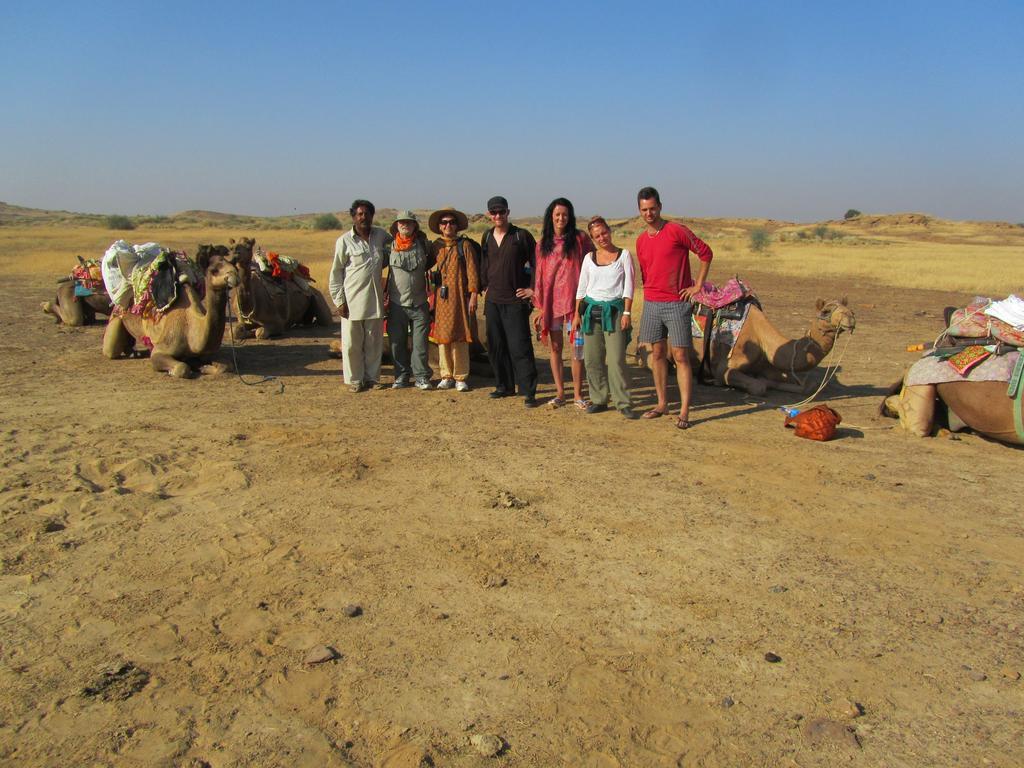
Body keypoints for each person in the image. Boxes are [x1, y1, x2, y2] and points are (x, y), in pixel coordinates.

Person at [634, 186, 713, 429]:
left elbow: (706, 253)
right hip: (652, 303)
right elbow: (646, 273)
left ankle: (685, 410)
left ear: (660, 206)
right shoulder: (640, 241)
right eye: (644, 210)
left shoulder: (676, 231)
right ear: (640, 211)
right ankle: (662, 403)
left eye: (653, 208)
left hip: (677, 303)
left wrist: (697, 285)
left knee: (680, 355)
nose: (649, 213)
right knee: (657, 354)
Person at [572, 216, 639, 419]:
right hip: (591, 313)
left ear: (609, 231)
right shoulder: (589, 258)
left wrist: (627, 312)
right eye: (597, 236)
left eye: (604, 233)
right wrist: (576, 314)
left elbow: (629, 286)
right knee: (592, 359)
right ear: (593, 238)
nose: (602, 238)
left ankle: (623, 402)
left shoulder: (623, 255)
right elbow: (582, 288)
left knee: (616, 358)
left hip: (615, 312)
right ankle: (599, 399)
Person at [479, 195, 540, 408]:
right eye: (493, 212)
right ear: (489, 215)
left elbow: (536, 263)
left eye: (501, 212)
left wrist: (533, 289)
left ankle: (528, 391)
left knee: (519, 346)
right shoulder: (486, 236)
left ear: (508, 212)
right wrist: (484, 284)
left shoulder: (520, 236)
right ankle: (504, 386)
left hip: (515, 301)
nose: (498, 215)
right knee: (496, 346)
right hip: (493, 300)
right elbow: (484, 262)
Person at [533, 197, 594, 409]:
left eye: (565, 215)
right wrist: (541, 307)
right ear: (551, 216)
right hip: (552, 305)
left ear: (570, 217)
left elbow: (592, 264)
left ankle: (578, 394)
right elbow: (539, 277)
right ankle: (560, 393)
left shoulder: (580, 239)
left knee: (577, 350)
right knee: (556, 348)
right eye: (557, 214)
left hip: (575, 305)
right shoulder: (542, 245)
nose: (561, 218)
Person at [329, 199, 389, 392]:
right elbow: (336, 272)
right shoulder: (344, 241)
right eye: (359, 214)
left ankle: (372, 378)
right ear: (353, 217)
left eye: (367, 213)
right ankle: (355, 380)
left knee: (373, 342)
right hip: (352, 300)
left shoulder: (380, 235)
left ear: (372, 216)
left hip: (374, 300)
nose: (363, 217)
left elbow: (399, 243)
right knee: (351, 344)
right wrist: (339, 301)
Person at [427, 207, 480, 392]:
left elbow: (473, 273)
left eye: (451, 222)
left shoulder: (464, 246)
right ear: (440, 227)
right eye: (444, 222)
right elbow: (426, 266)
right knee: (443, 337)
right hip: (442, 299)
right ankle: (446, 375)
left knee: (459, 335)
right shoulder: (436, 246)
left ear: (457, 226)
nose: (448, 225)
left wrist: (473, 295)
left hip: (459, 297)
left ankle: (460, 376)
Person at [386, 210, 433, 390]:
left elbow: (432, 262)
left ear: (415, 226)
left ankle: (421, 377)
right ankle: (401, 376)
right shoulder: (388, 246)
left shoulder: (424, 245)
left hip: (420, 302)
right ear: (396, 226)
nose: (405, 225)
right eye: (401, 222)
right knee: (397, 343)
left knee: (420, 344)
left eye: (408, 222)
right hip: (397, 304)